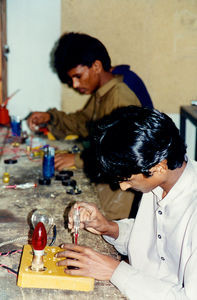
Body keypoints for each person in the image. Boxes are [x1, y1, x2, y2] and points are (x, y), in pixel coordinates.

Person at [56, 106, 197, 300]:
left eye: (127, 179)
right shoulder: (159, 180)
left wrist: (114, 270)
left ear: (159, 168)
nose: (122, 188)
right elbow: (157, 241)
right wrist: (108, 227)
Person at [27, 32, 153, 220]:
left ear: (96, 66)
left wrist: (78, 160)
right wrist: (50, 117)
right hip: (108, 188)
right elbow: (83, 122)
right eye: (72, 80)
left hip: (122, 200)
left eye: (78, 76)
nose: (75, 84)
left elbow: (123, 153)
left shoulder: (120, 96)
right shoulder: (103, 93)